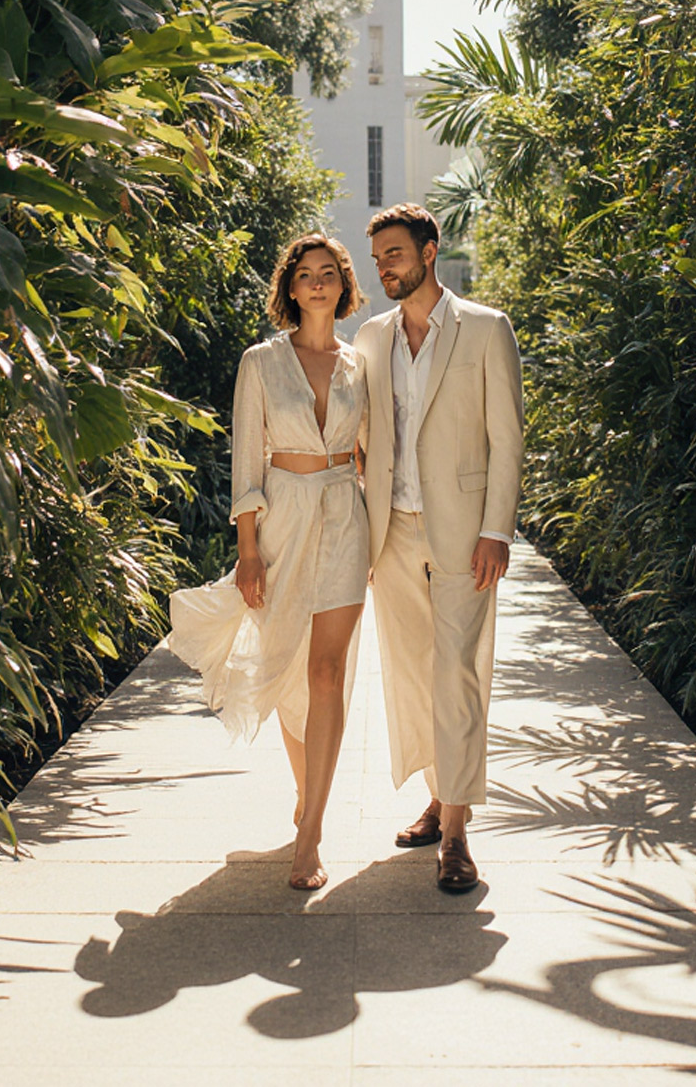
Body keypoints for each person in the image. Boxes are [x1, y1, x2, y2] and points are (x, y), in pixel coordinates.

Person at [166, 234, 369, 892]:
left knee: (329, 670)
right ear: (290, 286)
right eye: (304, 274)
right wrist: (247, 549)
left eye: (328, 273)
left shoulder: (360, 364)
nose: (316, 284)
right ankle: (305, 801)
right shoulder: (260, 361)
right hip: (280, 518)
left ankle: (310, 831)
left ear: (343, 285)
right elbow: (246, 458)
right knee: (288, 672)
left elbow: (376, 451)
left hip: (344, 516)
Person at [354, 204, 524, 893]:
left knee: (458, 671)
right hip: (391, 531)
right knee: (414, 674)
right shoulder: (369, 337)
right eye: (378, 259)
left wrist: (497, 530)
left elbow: (508, 438)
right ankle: (438, 797)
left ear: (430, 251)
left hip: (463, 533)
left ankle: (455, 836)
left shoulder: (485, 328)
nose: (385, 268)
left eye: (394, 254)